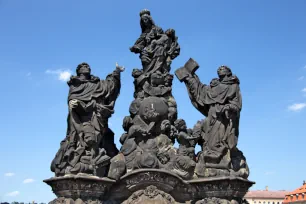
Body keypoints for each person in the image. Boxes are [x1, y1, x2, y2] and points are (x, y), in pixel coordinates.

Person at [51, 62, 124, 177]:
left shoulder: (96, 84)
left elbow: (109, 86)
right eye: (83, 66)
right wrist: (74, 104)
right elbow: (72, 100)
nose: (86, 68)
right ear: (78, 70)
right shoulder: (75, 85)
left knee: (97, 139)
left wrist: (116, 72)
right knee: (85, 140)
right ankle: (83, 161)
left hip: (95, 116)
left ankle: (94, 160)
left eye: (88, 67)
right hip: (81, 119)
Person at [181, 65, 242, 175]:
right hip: (212, 115)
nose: (220, 70)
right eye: (219, 70)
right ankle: (210, 161)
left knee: (217, 140)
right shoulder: (215, 86)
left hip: (223, 118)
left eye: (223, 69)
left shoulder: (233, 86)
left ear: (228, 72)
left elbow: (236, 105)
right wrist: (191, 78)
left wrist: (228, 107)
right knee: (209, 138)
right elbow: (203, 92)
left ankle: (218, 163)